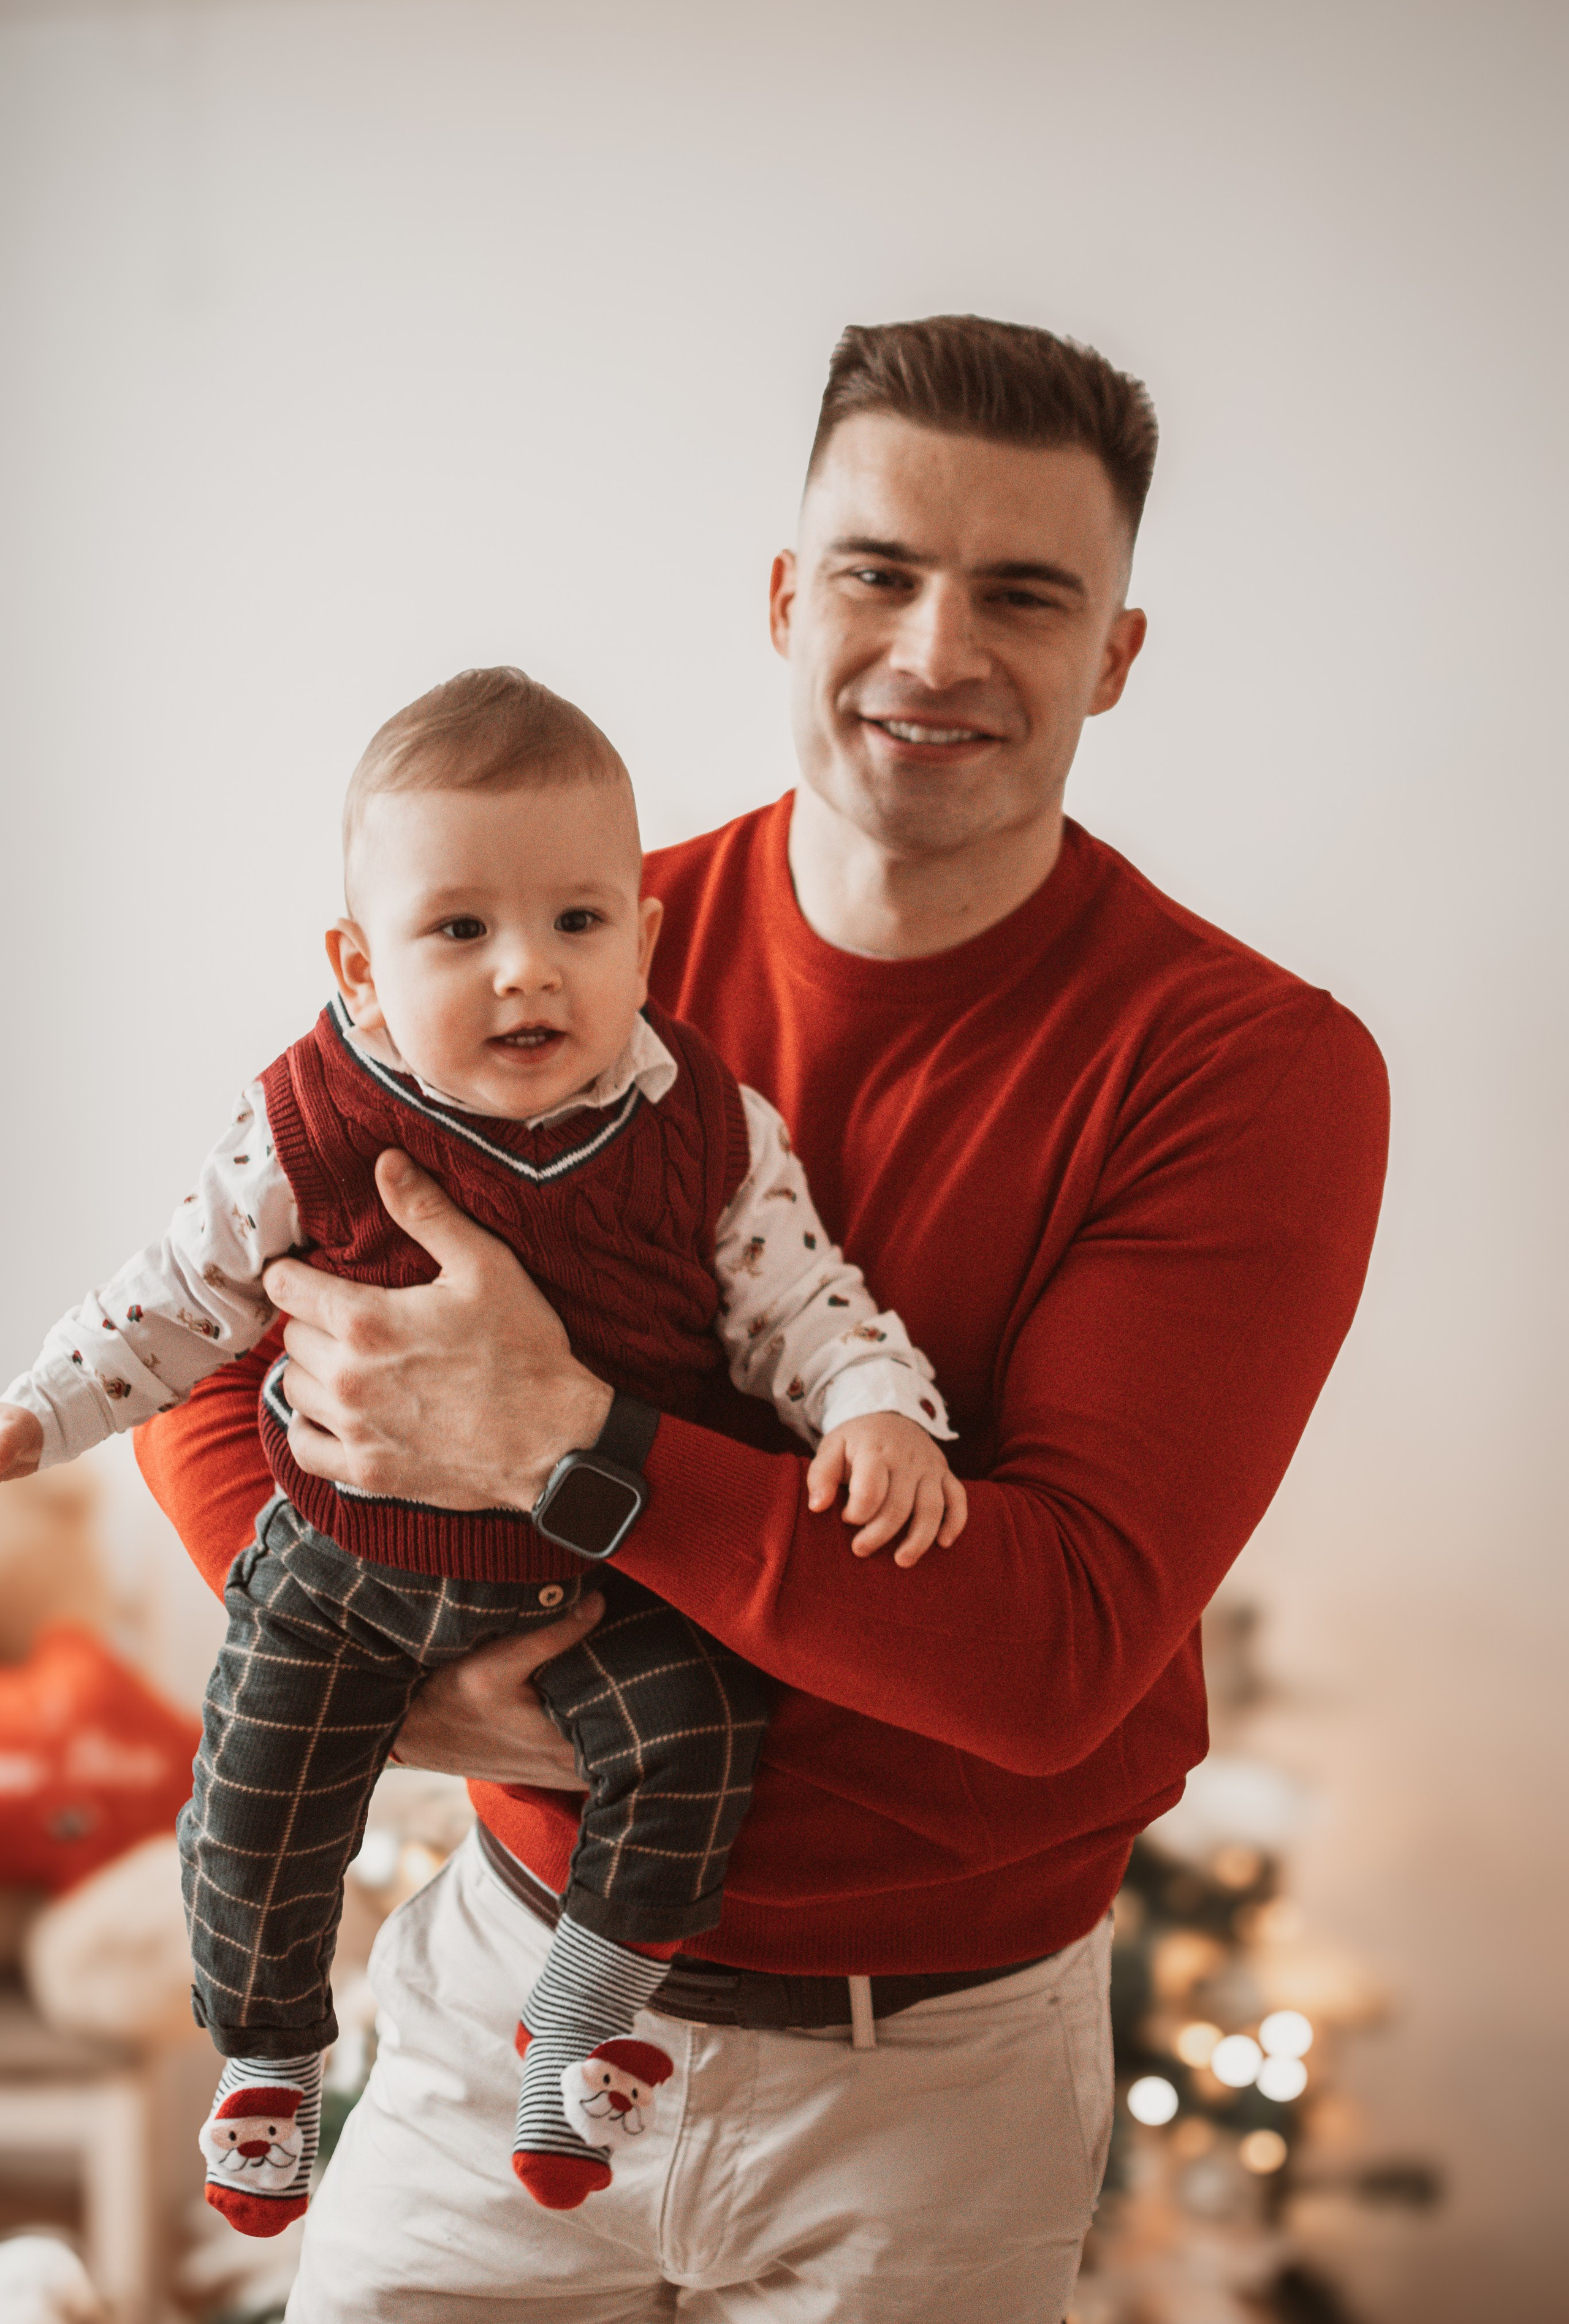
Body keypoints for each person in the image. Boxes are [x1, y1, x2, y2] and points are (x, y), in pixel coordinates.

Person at [135, 315, 1390, 2323]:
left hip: (930, 2094)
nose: (936, 651)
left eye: (1025, 595)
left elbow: (1053, 1650)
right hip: (494, 1995)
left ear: (1117, 655)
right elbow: (214, 1349)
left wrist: (567, 1448)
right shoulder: (548, 939)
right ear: (790, 598)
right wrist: (363, 1652)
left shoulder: (1243, 1069)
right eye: (881, 574)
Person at [0, 668, 963, 2231]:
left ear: (643, 941)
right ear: (360, 967)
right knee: (255, 1798)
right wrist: (41, 1411)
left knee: (699, 1741)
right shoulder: (306, 1125)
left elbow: (801, 1302)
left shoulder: (707, 1130)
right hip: (340, 1570)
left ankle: (576, 2024)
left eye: (578, 922)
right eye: (459, 929)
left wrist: (872, 1406)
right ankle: (270, 2060)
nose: (528, 969)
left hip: (599, 1576)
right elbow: (175, 1300)